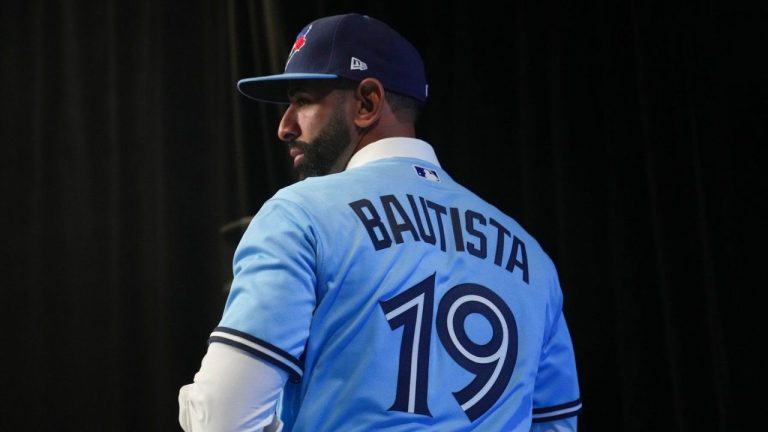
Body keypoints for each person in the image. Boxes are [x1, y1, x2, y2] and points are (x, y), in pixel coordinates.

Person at [178, 13, 581, 432]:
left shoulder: (300, 214)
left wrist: (194, 401)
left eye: (302, 100)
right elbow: (554, 425)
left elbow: (223, 419)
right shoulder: (531, 257)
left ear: (368, 102)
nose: (284, 126)